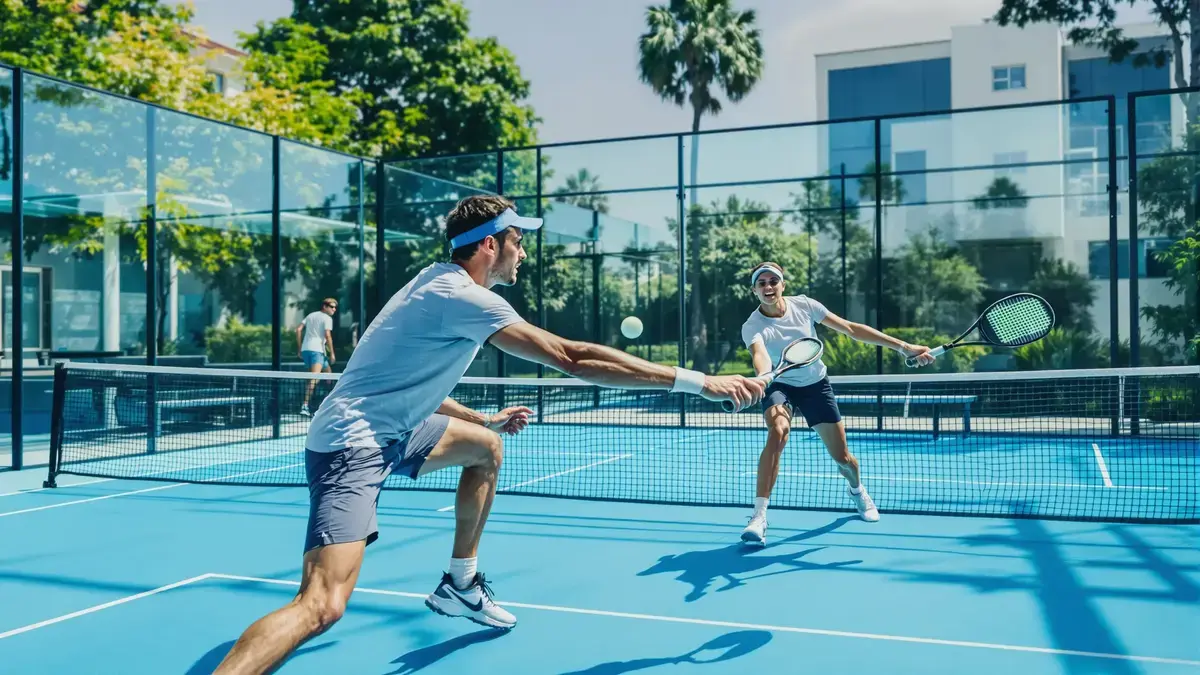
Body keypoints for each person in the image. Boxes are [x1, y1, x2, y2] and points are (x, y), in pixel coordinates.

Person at [213, 196, 765, 675]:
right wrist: (700, 383)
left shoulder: (436, 286)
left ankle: (460, 583)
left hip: (395, 428)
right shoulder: (464, 297)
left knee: (486, 449)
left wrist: (482, 420)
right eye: (516, 240)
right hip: (352, 445)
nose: (522, 250)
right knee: (322, 605)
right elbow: (571, 357)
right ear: (487, 246)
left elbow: (399, 378)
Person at [737, 262, 934, 547]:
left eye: (773, 281)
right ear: (754, 290)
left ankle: (856, 489)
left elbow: (852, 329)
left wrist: (905, 347)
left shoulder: (805, 306)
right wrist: (763, 376)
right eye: (762, 283)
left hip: (816, 385)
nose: (768, 287)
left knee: (843, 459)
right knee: (778, 430)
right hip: (779, 386)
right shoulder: (752, 326)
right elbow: (760, 355)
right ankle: (758, 516)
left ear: (783, 285)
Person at [297, 298, 337, 417]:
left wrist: (299, 349)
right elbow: (327, 335)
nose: (334, 309)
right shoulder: (327, 318)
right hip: (316, 351)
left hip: (307, 350)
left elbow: (298, 330)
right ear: (324, 306)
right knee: (314, 379)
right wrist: (333, 354)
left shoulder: (310, 315)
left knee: (329, 374)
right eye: (331, 306)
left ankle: (329, 403)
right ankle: (304, 406)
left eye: (335, 307)